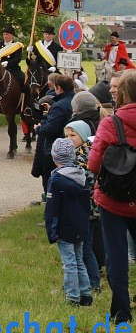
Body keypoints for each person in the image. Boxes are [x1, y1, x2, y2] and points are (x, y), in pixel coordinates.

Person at [88, 70, 136, 324]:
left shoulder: (110, 122)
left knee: (116, 256)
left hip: (114, 199)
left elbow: (94, 164)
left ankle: (121, 313)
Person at [44, 137, 93, 307]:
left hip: (65, 226)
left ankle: (72, 297)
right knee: (79, 260)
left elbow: (52, 208)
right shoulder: (81, 176)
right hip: (80, 225)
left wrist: (51, 230)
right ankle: (86, 293)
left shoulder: (56, 181)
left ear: (54, 157)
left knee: (69, 263)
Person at [66, 119, 103, 292]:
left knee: (86, 247)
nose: (69, 139)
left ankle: (94, 283)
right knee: (86, 245)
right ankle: (90, 280)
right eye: (66, 135)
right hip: (87, 208)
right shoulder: (79, 152)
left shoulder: (84, 156)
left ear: (82, 135)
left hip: (88, 208)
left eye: (72, 135)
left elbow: (86, 181)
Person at [32, 75, 76, 196]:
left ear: (59, 88)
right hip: (70, 145)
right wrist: (51, 112)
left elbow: (49, 129)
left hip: (54, 148)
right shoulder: (73, 100)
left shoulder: (60, 105)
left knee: (50, 181)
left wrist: (38, 128)